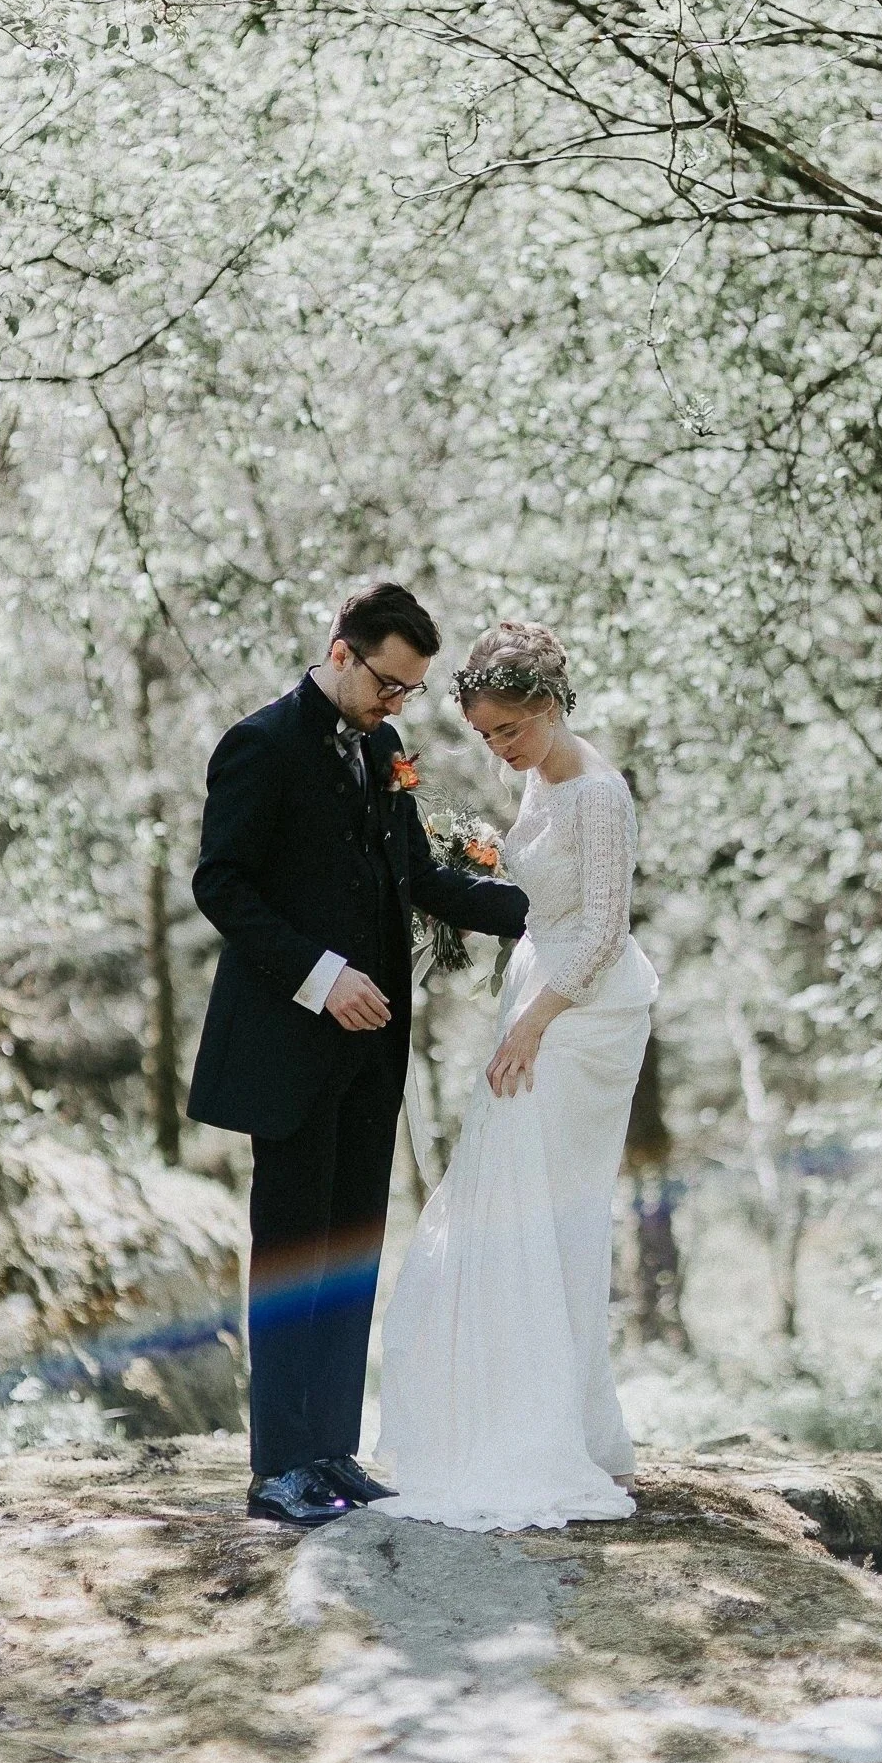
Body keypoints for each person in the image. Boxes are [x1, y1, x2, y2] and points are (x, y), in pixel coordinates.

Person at [189, 582, 529, 1528]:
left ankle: (331, 1453)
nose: (396, 704)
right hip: (290, 1051)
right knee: (292, 1255)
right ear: (341, 652)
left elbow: (416, 875)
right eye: (389, 682)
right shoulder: (257, 745)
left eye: (411, 690)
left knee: (349, 1253)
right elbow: (221, 882)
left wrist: (543, 906)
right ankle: (276, 1471)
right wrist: (321, 976)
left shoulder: (381, 749)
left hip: (373, 1056)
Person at [374, 619, 659, 1531]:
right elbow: (545, 892)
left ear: (548, 705)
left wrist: (536, 1023)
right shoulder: (539, 773)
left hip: (581, 1015)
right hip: (541, 994)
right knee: (512, 1203)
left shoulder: (599, 795)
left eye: (509, 731)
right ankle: (515, 1413)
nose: (498, 749)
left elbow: (607, 929)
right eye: (484, 735)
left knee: (541, 1211)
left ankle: (540, 1431)